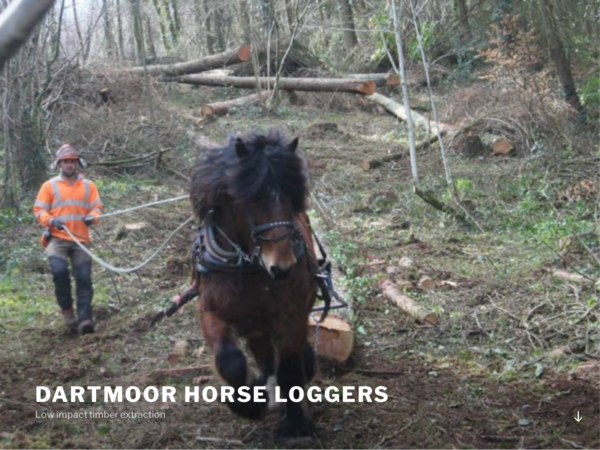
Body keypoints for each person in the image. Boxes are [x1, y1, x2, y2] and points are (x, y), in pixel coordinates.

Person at [33, 144, 103, 335]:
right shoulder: (49, 186)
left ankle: (85, 319)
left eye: (72, 161)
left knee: (84, 278)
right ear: (59, 164)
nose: (69, 165)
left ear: (77, 163)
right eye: (65, 161)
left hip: (81, 241)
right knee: (59, 273)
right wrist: (51, 220)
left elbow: (97, 207)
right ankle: (68, 314)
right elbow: (39, 210)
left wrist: (93, 217)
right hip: (57, 240)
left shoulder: (89, 186)